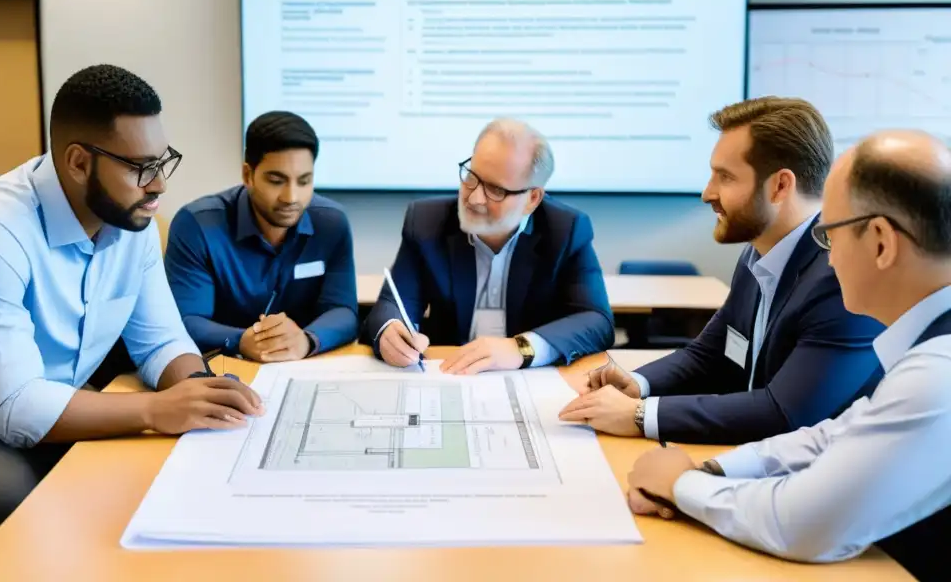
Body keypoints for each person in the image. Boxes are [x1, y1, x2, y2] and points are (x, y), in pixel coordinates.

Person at [0, 65, 263, 552]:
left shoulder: (132, 224)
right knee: (26, 504)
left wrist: (197, 390)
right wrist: (156, 408)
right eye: (140, 168)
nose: (159, 187)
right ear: (79, 163)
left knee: (167, 472)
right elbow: (18, 408)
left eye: (162, 162)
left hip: (63, 408)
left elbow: (162, 341)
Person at [626, 130, 951, 581]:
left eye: (827, 234)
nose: (827, 258)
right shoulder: (929, 347)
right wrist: (714, 469)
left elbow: (803, 524)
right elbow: (837, 434)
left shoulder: (938, 372)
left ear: (880, 241)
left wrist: (680, 485)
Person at [560, 97, 884, 444]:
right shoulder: (757, 254)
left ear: (780, 186)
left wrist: (639, 416)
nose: (707, 193)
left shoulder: (841, 275)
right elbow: (711, 355)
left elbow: (786, 413)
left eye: (725, 177)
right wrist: (637, 384)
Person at [362, 118, 614, 374]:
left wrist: (522, 348)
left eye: (495, 190)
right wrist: (390, 331)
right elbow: (391, 304)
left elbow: (596, 322)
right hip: (448, 374)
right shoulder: (427, 222)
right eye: (471, 176)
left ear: (532, 198)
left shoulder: (566, 230)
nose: (474, 197)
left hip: (528, 379)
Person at [165, 111, 357, 362]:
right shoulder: (197, 225)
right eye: (277, 181)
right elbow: (185, 319)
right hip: (226, 367)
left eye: (304, 181)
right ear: (248, 175)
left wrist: (307, 340)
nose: (291, 197)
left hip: (301, 366)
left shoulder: (332, 224)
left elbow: (344, 311)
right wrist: (241, 340)